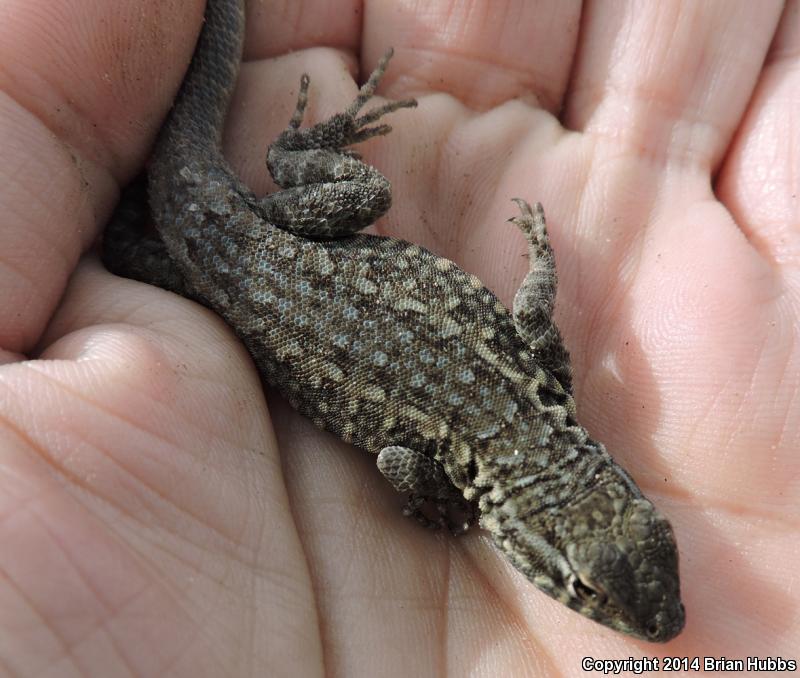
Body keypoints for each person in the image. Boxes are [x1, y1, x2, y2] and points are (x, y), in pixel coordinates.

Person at [1, 0, 797, 674]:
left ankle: (264, 174)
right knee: (156, 247)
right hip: (256, 281)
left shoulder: (547, 393)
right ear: (530, 539)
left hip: (279, 253)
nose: (661, 622)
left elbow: (524, 333)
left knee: (356, 194)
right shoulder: (481, 457)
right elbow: (401, 456)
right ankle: (197, 205)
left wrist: (543, 264)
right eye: (583, 590)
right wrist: (437, 510)